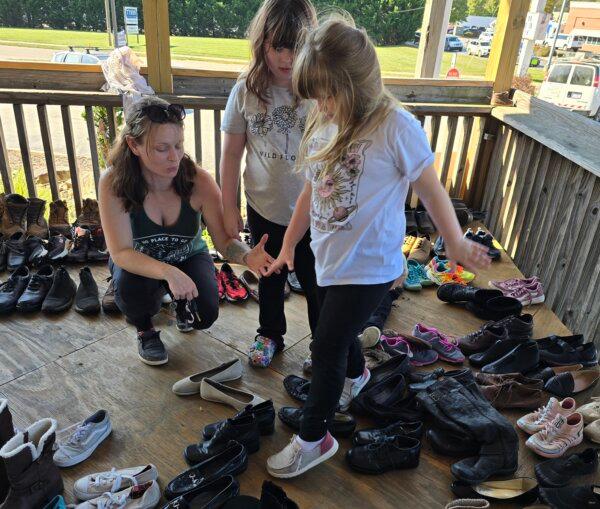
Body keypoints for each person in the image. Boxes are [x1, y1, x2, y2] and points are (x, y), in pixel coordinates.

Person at [264, 15, 491, 478]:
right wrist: (289, 242)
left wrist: (456, 240)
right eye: (315, 97)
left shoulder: (394, 126)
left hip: (368, 267)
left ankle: (314, 438)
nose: (320, 106)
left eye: (326, 95)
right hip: (328, 261)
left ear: (355, 86)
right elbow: (311, 190)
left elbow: (430, 188)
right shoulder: (327, 119)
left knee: (324, 348)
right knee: (337, 337)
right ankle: (357, 378)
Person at [98, 96, 273, 366]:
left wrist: (247, 256)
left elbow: (224, 242)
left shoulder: (199, 181)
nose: (174, 157)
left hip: (188, 255)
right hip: (138, 261)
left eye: (178, 146)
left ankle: (180, 303)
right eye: (161, 148)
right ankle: (145, 329)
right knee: (131, 290)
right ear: (134, 145)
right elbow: (120, 252)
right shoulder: (113, 182)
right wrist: (169, 273)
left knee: (206, 315)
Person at [220, 0, 320, 368]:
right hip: (263, 207)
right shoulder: (246, 90)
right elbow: (231, 154)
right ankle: (270, 332)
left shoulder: (319, 91)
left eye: (297, 48)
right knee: (269, 274)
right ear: (262, 43)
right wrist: (228, 207)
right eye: (278, 46)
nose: (287, 58)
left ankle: (322, 346)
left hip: (313, 213)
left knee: (316, 283)